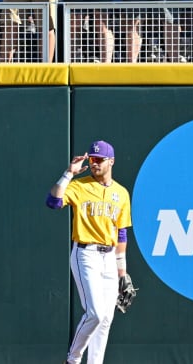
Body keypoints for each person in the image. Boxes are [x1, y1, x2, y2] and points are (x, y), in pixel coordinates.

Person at [46, 140, 132, 364]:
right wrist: (68, 173)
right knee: (94, 313)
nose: (94, 164)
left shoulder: (121, 193)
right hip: (86, 254)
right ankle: (73, 360)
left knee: (106, 319)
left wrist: (122, 273)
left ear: (111, 161)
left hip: (109, 258)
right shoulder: (79, 186)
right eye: (92, 159)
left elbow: (121, 234)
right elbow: (53, 201)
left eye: (99, 160)